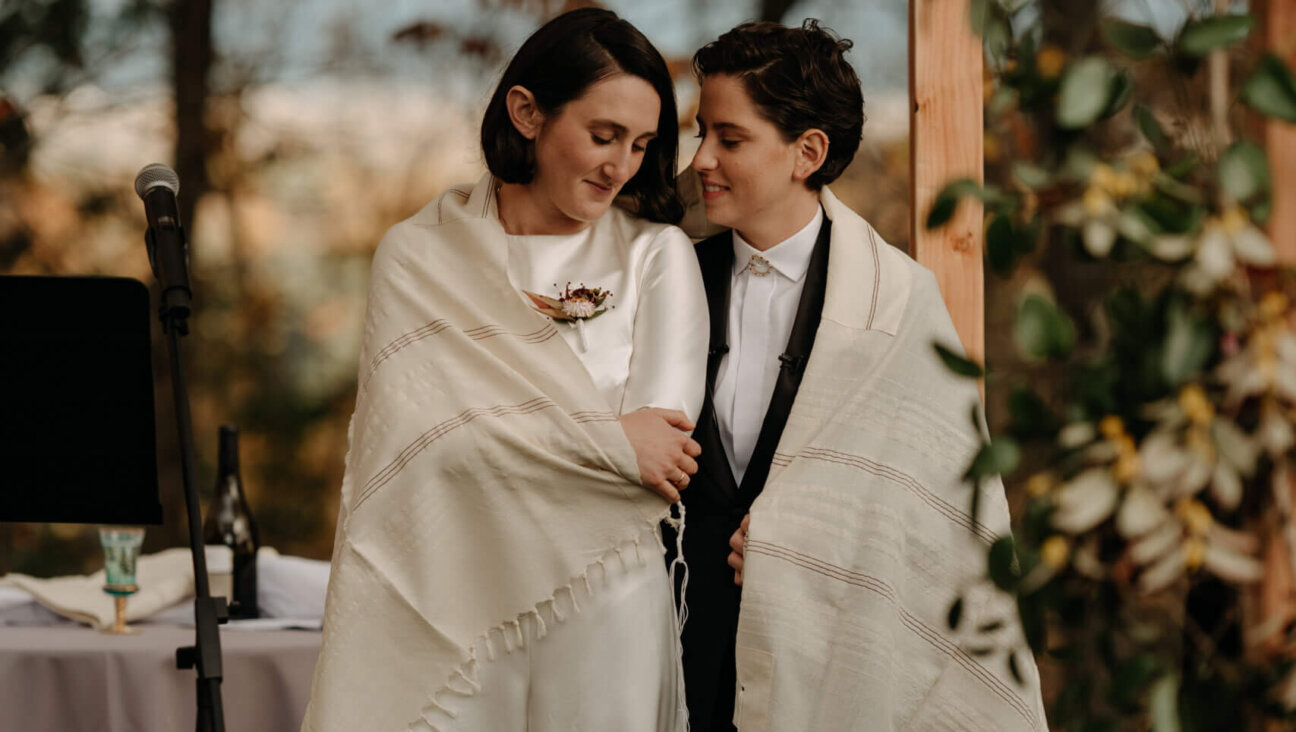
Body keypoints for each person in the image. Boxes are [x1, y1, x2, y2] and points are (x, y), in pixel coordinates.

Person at [301, 9, 707, 731]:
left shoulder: (656, 256)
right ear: (527, 112)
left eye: (642, 144)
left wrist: (496, 434)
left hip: (605, 595)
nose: (622, 166)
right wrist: (609, 441)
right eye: (603, 135)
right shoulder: (419, 257)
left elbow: (661, 454)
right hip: (457, 598)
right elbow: (422, 447)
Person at [673, 20, 1049, 731]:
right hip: (673, 652)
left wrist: (800, 542)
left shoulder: (901, 304)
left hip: (817, 666)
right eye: (702, 133)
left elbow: (940, 525)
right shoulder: (670, 279)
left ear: (806, 152)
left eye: (729, 138)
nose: (701, 159)